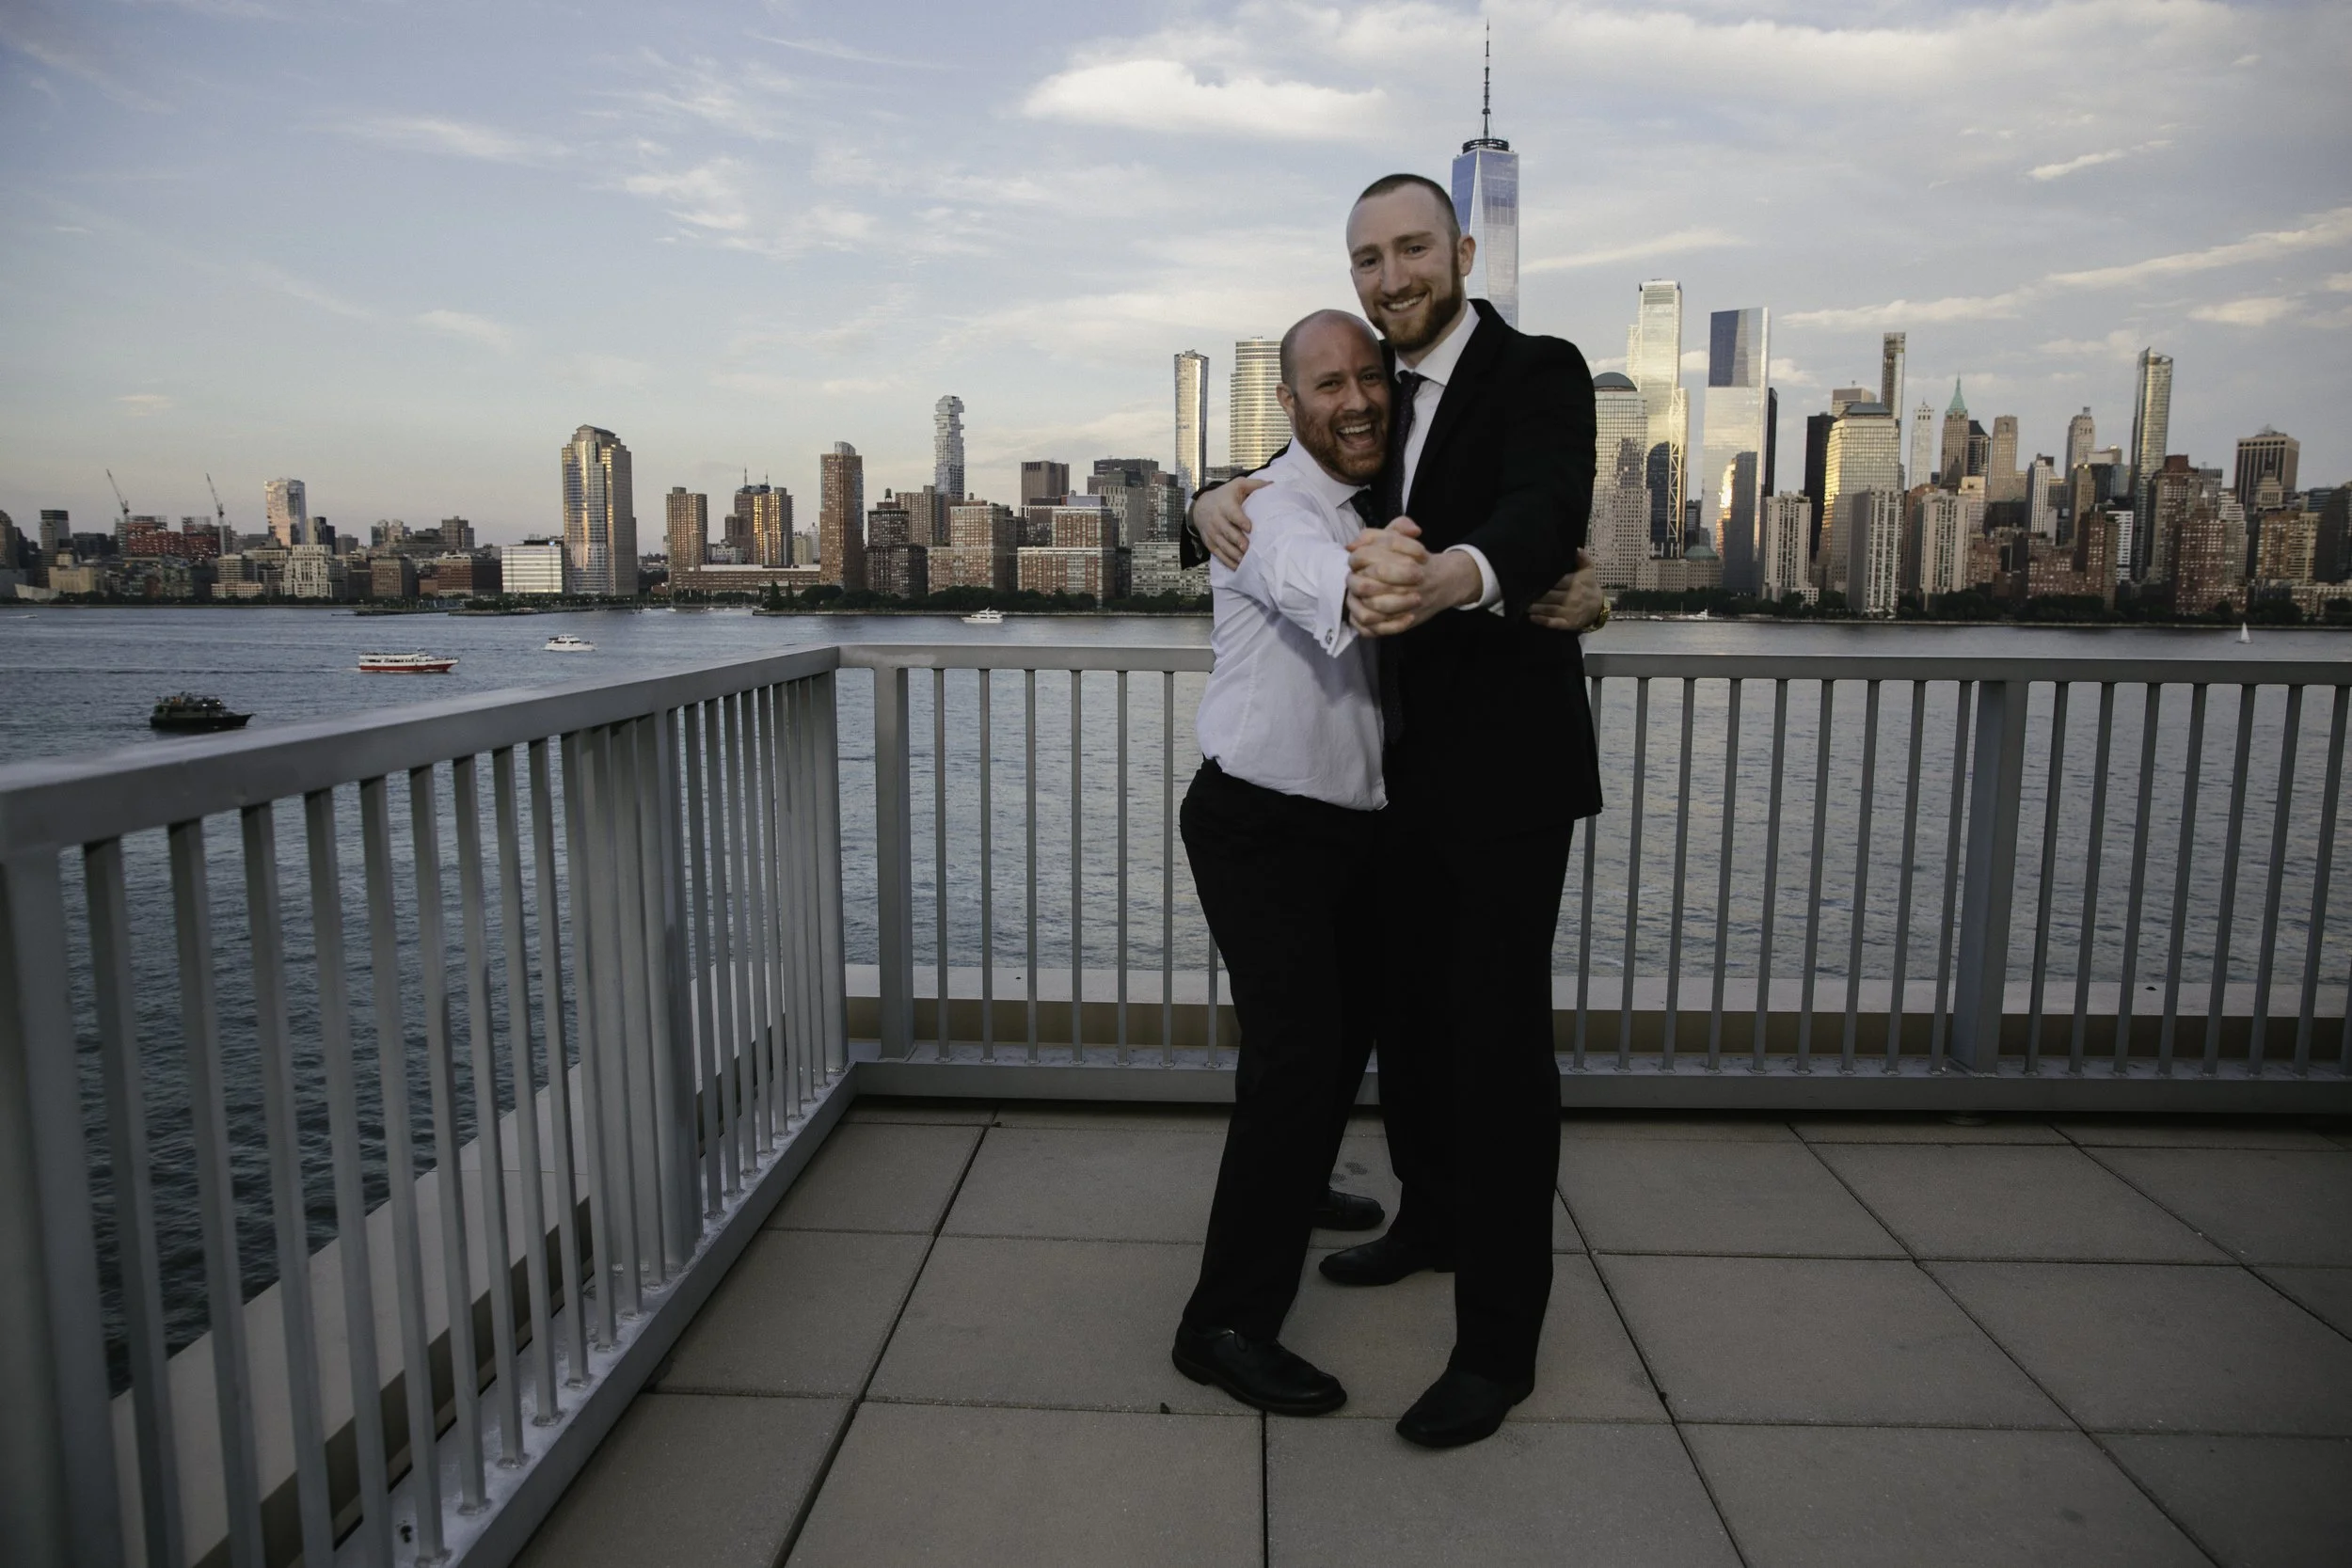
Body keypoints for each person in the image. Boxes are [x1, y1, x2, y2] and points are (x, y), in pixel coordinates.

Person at [1187, 172, 1604, 1448]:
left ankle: (1498, 1346)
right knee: (1410, 1035)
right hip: (1388, 800)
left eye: (1412, 247)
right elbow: (1288, 501)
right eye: (1369, 257)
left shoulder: (1536, 369)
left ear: (1462, 249)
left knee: (1494, 1058)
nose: (1392, 275)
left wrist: (1470, 576)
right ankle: (1425, 1220)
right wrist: (1198, 498)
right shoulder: (1371, 416)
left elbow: (1540, 511)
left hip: (1502, 790)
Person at [1169, 308, 1422, 1418]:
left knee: (1336, 1039)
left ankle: (1299, 1182)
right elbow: (1352, 591)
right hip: (1258, 822)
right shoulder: (1271, 513)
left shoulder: (1363, 491)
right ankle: (1221, 1323)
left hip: (1348, 825)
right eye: (1327, 383)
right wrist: (1413, 567)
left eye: (1368, 376)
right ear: (1288, 404)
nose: (1354, 397)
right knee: (1297, 1054)